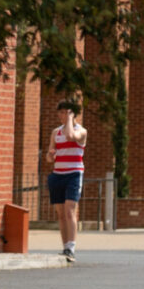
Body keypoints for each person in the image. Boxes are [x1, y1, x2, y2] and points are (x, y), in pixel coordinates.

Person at [45, 100, 87, 262]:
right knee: (61, 213)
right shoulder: (56, 132)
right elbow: (49, 157)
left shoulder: (82, 131)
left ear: (72, 114)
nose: (61, 116)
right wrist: (50, 155)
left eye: (65, 112)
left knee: (70, 209)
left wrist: (70, 119)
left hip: (74, 174)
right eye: (60, 112)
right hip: (58, 174)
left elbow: (71, 136)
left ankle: (71, 247)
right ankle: (65, 247)